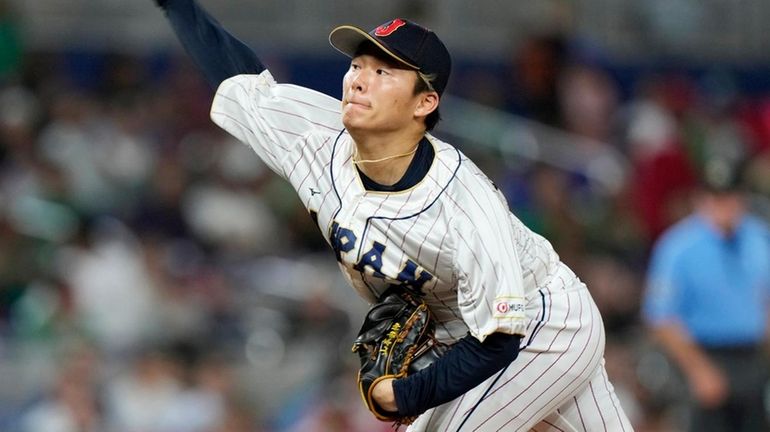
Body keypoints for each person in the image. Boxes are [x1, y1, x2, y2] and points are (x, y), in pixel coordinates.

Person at [154, 1, 633, 430]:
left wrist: (403, 395)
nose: (360, 78)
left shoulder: (464, 201)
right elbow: (242, 82)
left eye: (385, 72)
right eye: (359, 63)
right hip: (459, 328)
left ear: (424, 103)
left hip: (538, 322)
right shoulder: (316, 141)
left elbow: (500, 337)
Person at [642, 156, 770, 432]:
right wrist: (698, 370)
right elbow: (661, 317)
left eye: (730, 196)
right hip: (704, 354)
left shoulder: (759, 239)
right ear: (701, 198)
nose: (723, 206)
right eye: (716, 197)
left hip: (753, 358)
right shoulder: (677, 247)